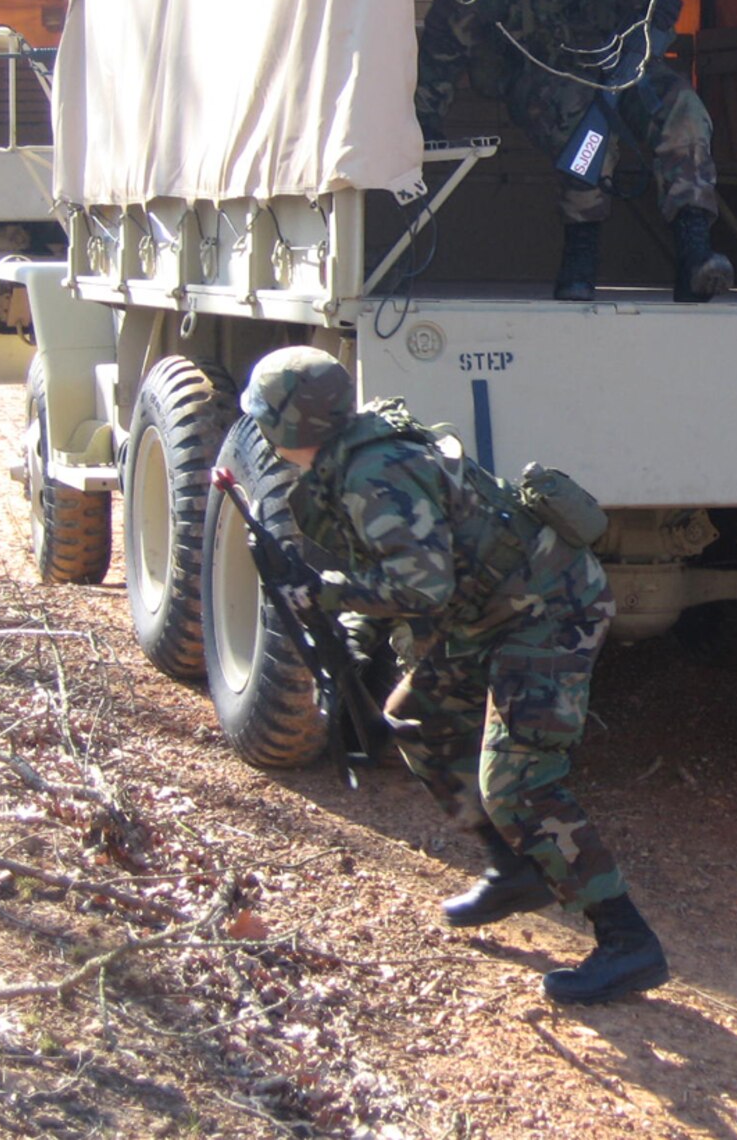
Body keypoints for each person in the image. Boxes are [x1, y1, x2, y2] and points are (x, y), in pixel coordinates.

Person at [239, 346, 668, 1005]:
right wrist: (351, 640)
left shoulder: (371, 472)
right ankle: (514, 868)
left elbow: (422, 588)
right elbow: (384, 566)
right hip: (490, 609)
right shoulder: (346, 462)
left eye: (267, 419)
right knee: (418, 713)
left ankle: (626, 941)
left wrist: (321, 592)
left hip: (550, 608)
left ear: (293, 426)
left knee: (518, 781)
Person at [414, 0, 733, 304]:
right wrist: (426, 117)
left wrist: (654, 12)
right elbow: (446, 36)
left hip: (619, 62)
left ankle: (694, 247)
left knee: (683, 108)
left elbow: (644, 8)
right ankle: (579, 258)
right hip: (539, 74)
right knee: (582, 126)